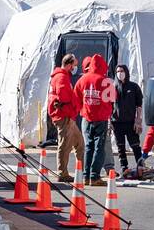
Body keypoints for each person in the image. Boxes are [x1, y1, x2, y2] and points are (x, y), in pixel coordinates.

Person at [74, 54, 115, 186]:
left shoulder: (82, 80)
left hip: (86, 118)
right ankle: (94, 176)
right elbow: (113, 99)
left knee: (88, 147)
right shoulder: (106, 81)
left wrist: (82, 110)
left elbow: (76, 98)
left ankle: (86, 176)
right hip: (101, 119)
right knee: (99, 148)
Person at [47, 54, 84, 182]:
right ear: (68, 64)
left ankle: (81, 170)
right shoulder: (61, 77)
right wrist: (74, 104)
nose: (75, 68)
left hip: (67, 116)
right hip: (64, 116)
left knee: (79, 144)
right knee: (65, 145)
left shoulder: (60, 76)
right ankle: (62, 173)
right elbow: (64, 96)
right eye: (74, 65)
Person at [111, 64, 144, 177]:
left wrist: (138, 120)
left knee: (135, 145)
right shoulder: (113, 87)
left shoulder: (134, 87)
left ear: (126, 72)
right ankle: (124, 168)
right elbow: (108, 106)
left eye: (122, 70)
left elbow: (139, 105)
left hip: (131, 122)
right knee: (120, 147)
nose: (120, 73)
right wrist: (108, 122)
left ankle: (140, 167)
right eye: (118, 71)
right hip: (117, 123)